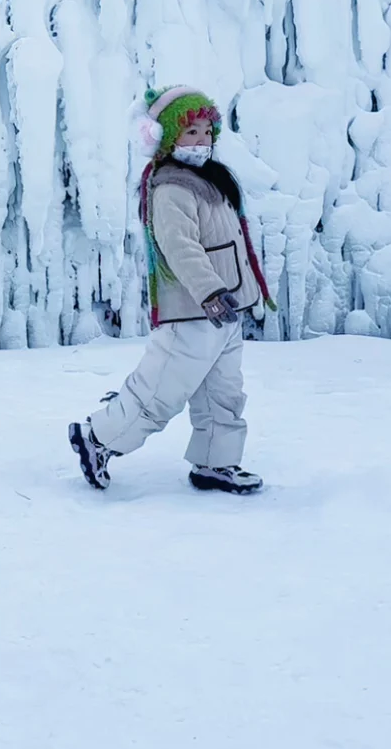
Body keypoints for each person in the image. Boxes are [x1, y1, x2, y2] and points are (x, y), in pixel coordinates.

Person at [68, 86, 275, 494]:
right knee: (160, 391)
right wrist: (211, 291)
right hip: (195, 310)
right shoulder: (171, 186)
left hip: (224, 310)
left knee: (224, 393)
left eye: (206, 131)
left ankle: (216, 464)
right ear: (165, 139)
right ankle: (97, 438)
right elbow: (180, 248)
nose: (201, 140)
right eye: (190, 133)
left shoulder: (209, 178)